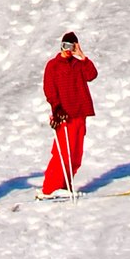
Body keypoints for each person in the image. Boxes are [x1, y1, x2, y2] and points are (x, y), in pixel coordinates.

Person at [38, 32, 98, 198]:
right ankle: (50, 188)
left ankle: (65, 185)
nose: (67, 50)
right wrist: (57, 108)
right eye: (65, 45)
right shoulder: (53, 65)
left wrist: (82, 56)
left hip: (80, 112)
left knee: (76, 154)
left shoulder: (78, 64)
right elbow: (49, 88)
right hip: (64, 114)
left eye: (71, 47)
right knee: (63, 152)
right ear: (61, 45)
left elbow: (91, 75)